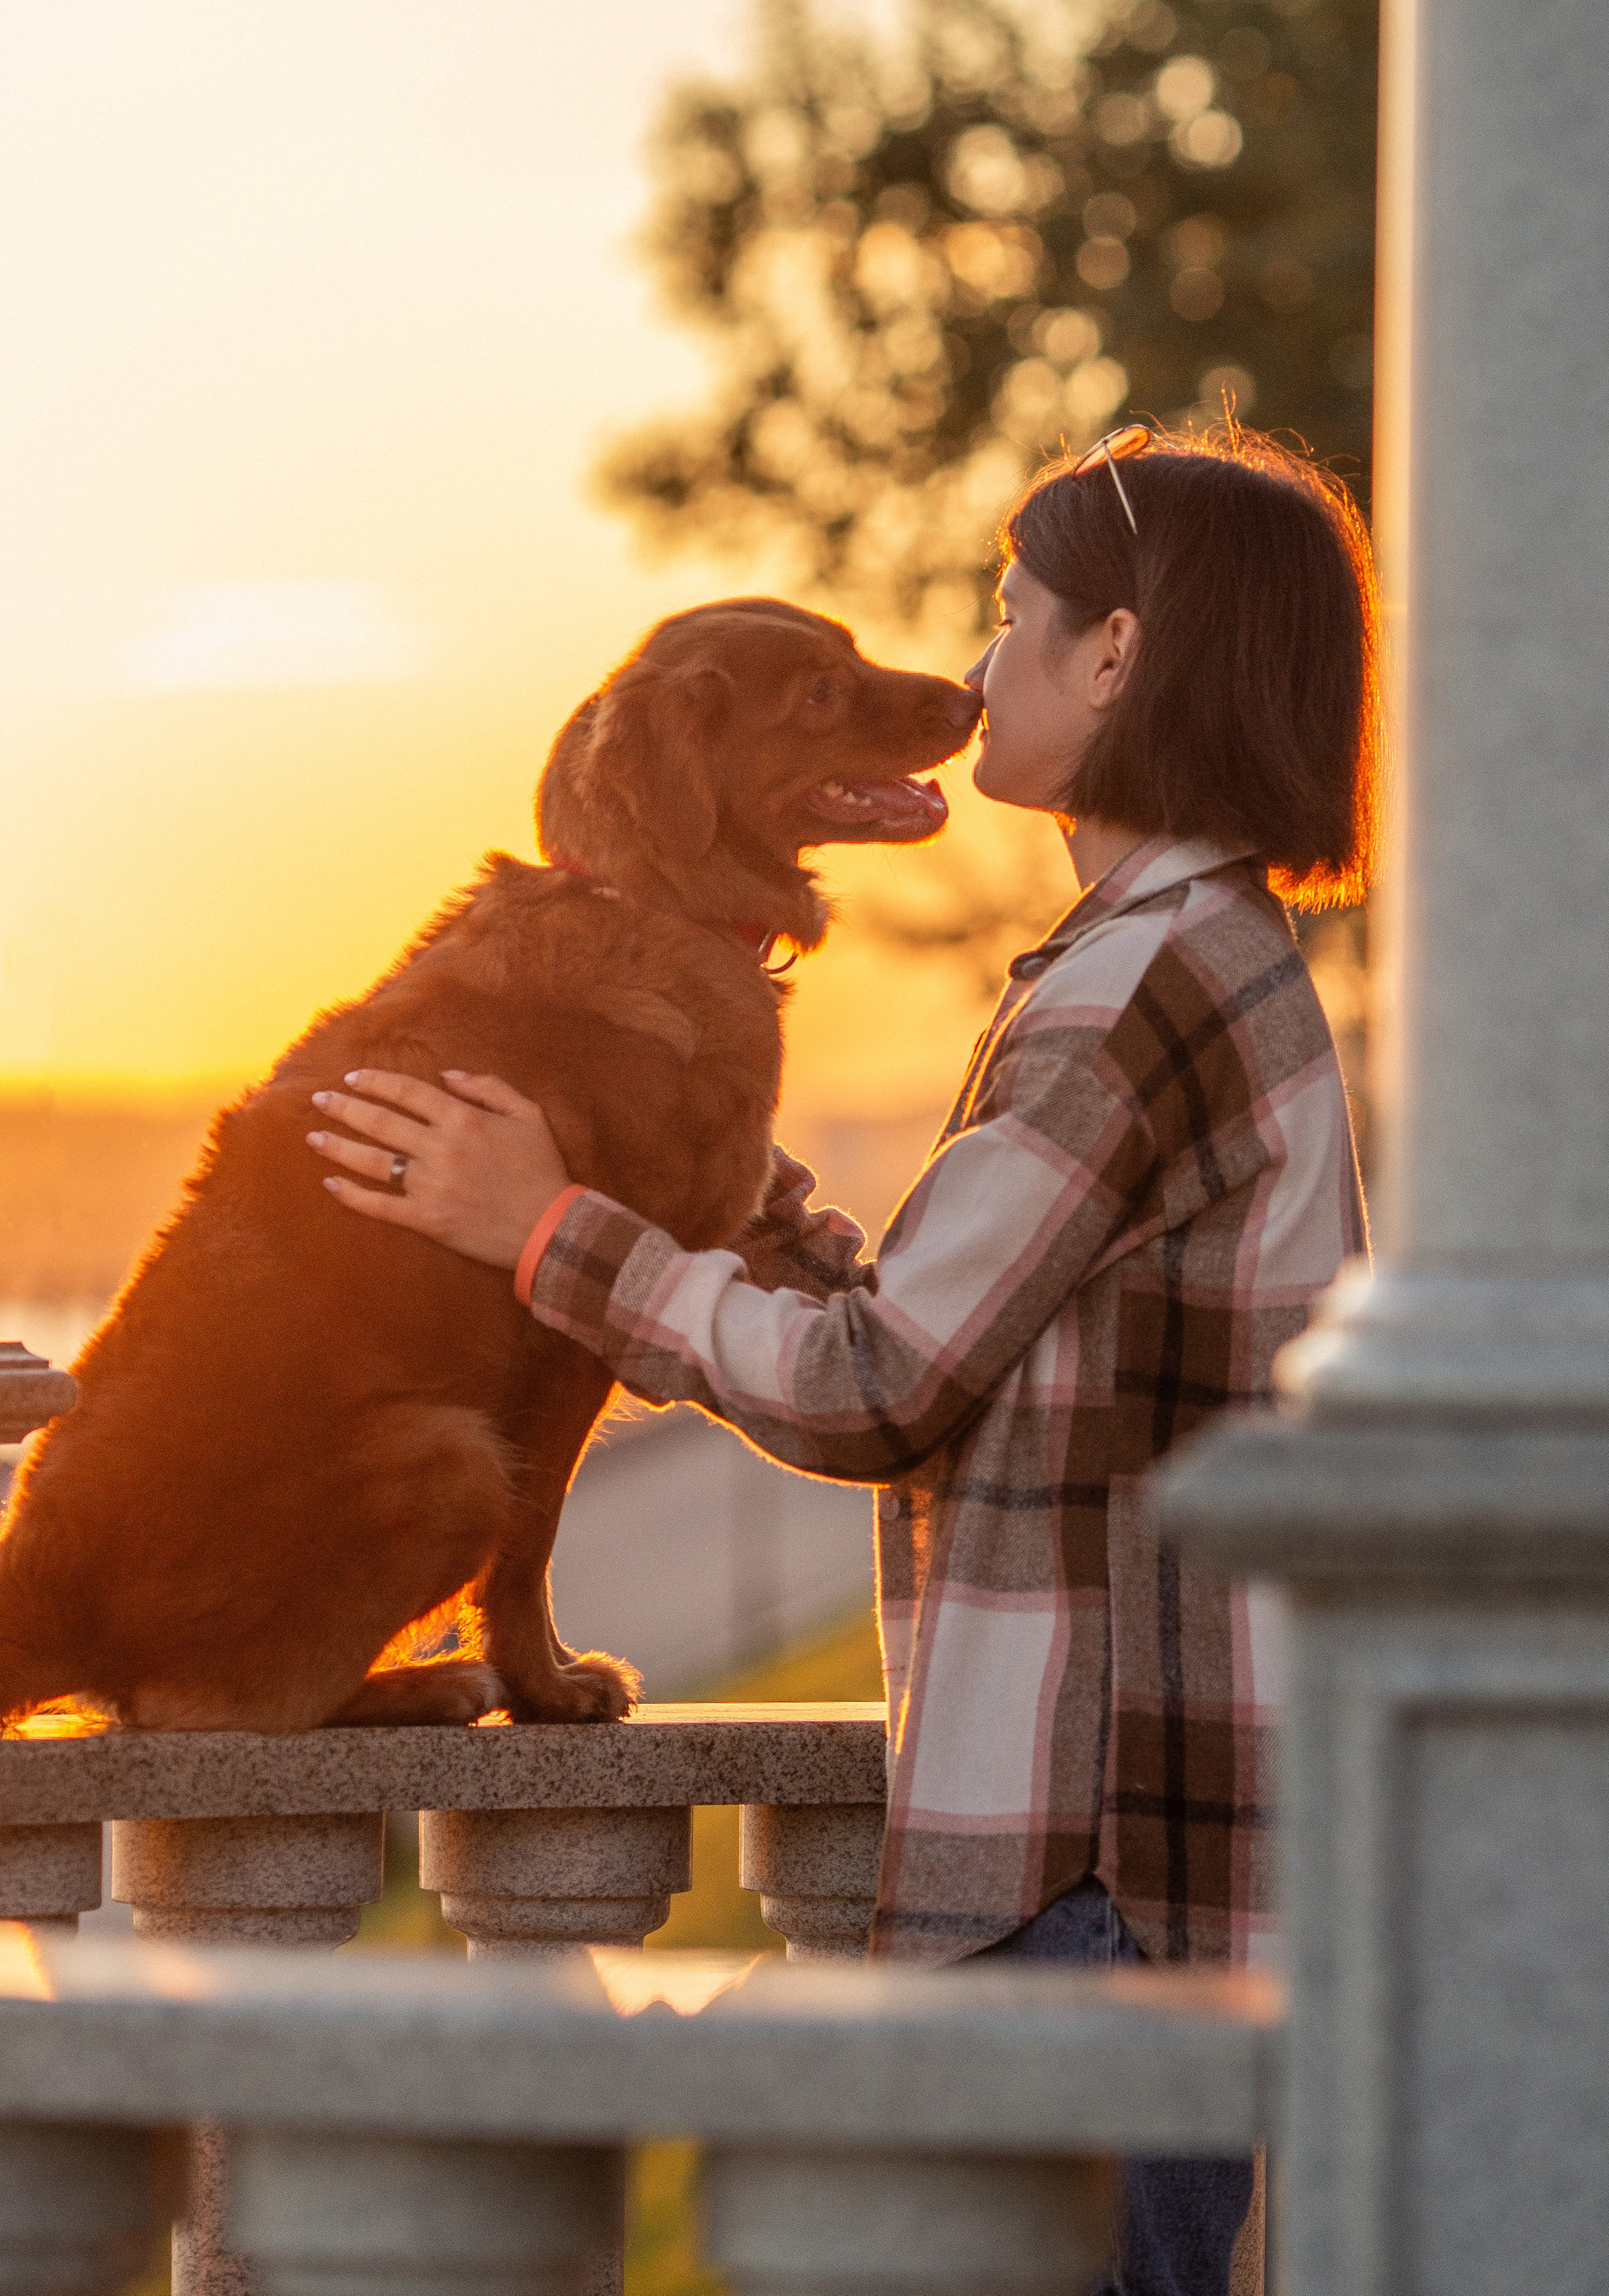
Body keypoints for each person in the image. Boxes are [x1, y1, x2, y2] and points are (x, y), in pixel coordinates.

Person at [306, 421, 1379, 2296]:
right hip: (1140, 1876)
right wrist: (792, 1248)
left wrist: (545, 1229)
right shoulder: (1198, 961)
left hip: (1091, 1875)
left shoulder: (1135, 993)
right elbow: (1025, 1364)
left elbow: (879, 1391)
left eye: (1010, 619)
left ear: (1115, 657)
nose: (972, 679)